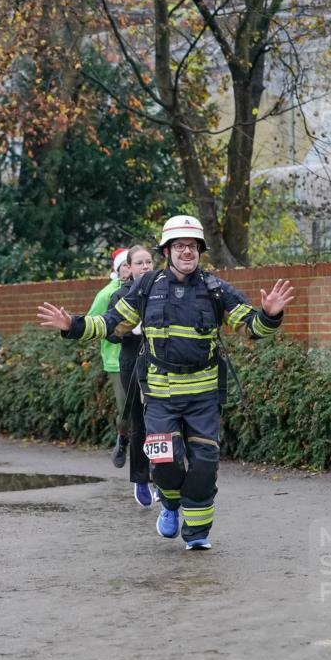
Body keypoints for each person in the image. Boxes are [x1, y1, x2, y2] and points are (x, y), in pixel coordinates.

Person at [38, 215, 295, 550]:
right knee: (164, 462)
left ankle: (198, 534)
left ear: (200, 250)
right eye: (179, 246)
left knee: (203, 465)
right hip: (159, 397)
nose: (186, 251)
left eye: (192, 246)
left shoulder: (216, 289)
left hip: (203, 397)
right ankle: (171, 505)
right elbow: (112, 323)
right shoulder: (146, 288)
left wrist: (269, 315)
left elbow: (250, 327)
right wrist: (72, 324)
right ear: (167, 250)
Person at [108, 244, 155, 507]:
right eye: (139, 263)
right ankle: (140, 478)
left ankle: (162, 478)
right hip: (131, 362)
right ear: (129, 267)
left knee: (162, 422)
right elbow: (110, 333)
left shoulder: (162, 290)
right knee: (138, 421)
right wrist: (132, 331)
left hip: (161, 362)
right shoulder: (121, 295)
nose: (145, 267)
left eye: (149, 262)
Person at [86, 247, 132, 468]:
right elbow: (90, 323)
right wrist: (114, 332)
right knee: (126, 409)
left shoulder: (149, 288)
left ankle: (154, 459)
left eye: (133, 264)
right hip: (117, 360)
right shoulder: (106, 294)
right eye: (125, 265)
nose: (130, 269)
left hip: (147, 358)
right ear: (118, 269)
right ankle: (123, 437)